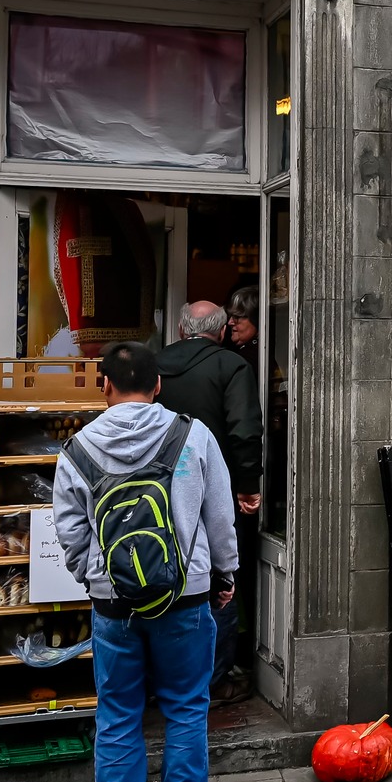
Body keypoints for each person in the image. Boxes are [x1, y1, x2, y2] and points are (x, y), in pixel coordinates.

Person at [53, 341, 238, 782]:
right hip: (185, 595)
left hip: (114, 604)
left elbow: (69, 531)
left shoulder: (79, 449)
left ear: (103, 386)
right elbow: (219, 516)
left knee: (117, 711)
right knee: (185, 705)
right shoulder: (193, 435)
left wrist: (92, 576)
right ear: (158, 385)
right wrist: (225, 575)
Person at [154, 301, 263, 705]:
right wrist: (248, 483)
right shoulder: (231, 366)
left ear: (182, 330)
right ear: (219, 332)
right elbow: (244, 430)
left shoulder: (155, 366)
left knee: (161, 563)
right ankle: (214, 678)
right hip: (216, 487)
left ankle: (165, 671)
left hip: (156, 492)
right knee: (221, 571)